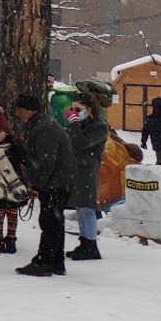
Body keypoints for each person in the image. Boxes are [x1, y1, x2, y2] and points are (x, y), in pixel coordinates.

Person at [14, 91, 74, 277]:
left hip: (55, 183)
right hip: (58, 181)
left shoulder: (44, 128)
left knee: (49, 223)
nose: (17, 113)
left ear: (27, 110)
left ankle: (45, 262)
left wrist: (36, 185)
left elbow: (46, 161)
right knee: (55, 222)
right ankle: (56, 261)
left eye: (19, 110)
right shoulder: (43, 124)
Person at [65, 82, 112, 261]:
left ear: (90, 109)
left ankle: (91, 245)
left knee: (87, 208)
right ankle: (84, 242)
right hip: (75, 169)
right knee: (79, 207)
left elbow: (82, 143)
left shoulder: (100, 126)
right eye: (72, 110)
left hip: (88, 169)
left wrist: (74, 125)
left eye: (78, 109)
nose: (74, 113)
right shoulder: (79, 125)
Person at [0, 106, 27, 254]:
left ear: (6, 131)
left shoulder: (15, 147)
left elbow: (26, 163)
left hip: (14, 186)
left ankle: (11, 237)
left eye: (0, 131)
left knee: (12, 212)